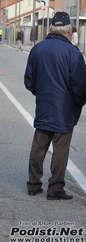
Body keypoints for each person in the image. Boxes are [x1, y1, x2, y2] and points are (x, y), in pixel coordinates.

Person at [24, 11, 86, 200]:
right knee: (60, 149)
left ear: (50, 28)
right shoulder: (73, 53)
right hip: (65, 109)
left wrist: (41, 94)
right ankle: (55, 188)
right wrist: (77, 104)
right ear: (69, 30)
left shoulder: (37, 49)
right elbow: (80, 86)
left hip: (44, 105)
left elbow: (29, 80)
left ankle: (33, 185)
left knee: (38, 147)